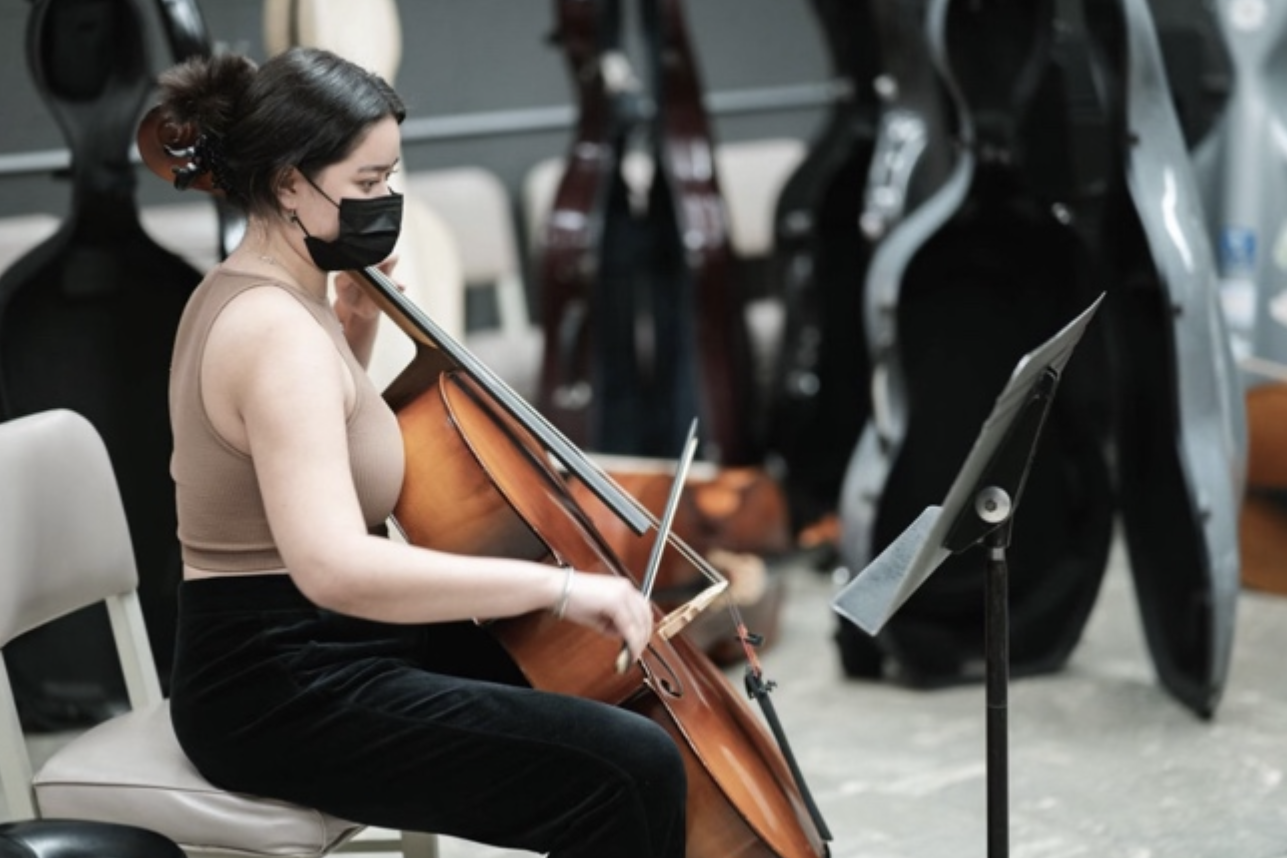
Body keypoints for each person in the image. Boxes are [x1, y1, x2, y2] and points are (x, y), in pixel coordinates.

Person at [158, 46, 687, 858]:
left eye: (391, 176)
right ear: (291, 183)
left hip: (325, 641)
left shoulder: (263, 292)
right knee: (627, 768)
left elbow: (311, 442)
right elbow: (332, 567)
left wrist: (356, 326)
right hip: (278, 684)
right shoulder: (273, 333)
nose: (387, 200)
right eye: (368, 181)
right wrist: (558, 586)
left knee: (591, 684)